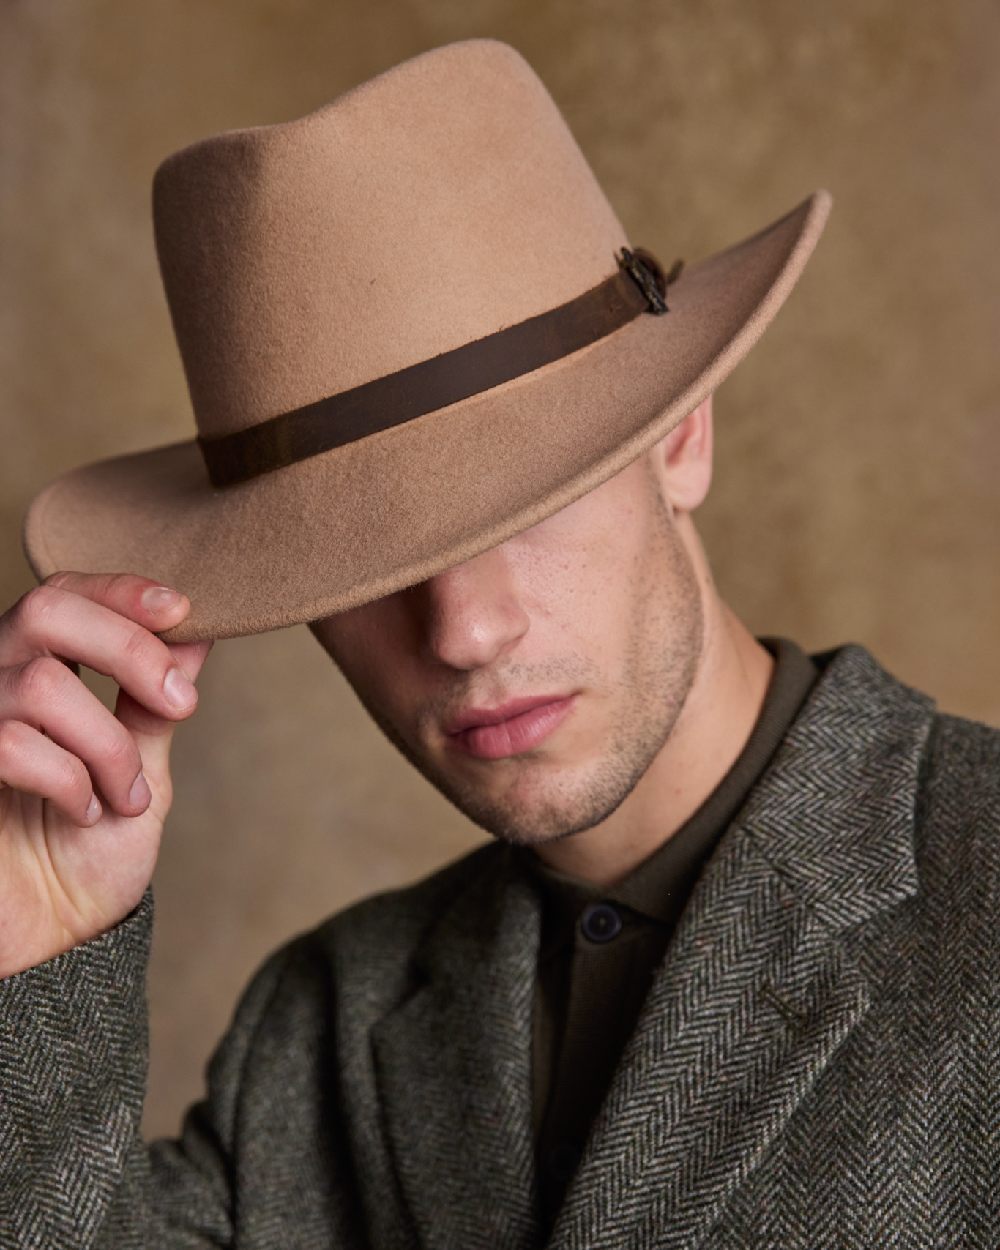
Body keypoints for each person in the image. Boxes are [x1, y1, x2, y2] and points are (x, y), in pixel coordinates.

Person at [0, 36, 995, 1250]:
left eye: (528, 503)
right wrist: (28, 956)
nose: (465, 629)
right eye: (359, 560)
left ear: (679, 439)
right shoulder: (322, 1029)